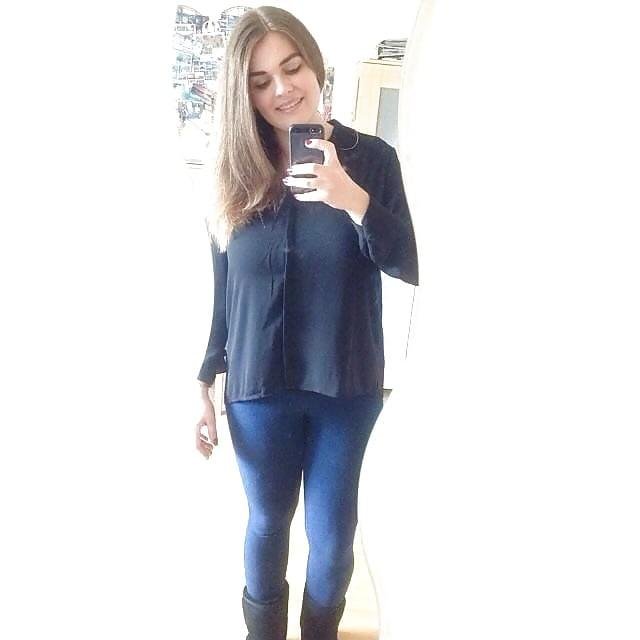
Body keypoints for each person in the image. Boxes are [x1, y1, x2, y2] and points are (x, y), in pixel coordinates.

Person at [194, 6, 419, 640]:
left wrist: (354, 200)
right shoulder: (232, 168)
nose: (282, 89)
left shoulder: (372, 160)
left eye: (292, 67)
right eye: (260, 81)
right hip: (257, 386)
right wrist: (204, 379)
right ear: (244, 95)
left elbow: (409, 263)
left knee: (333, 535)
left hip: (345, 383)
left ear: (315, 64)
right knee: (268, 522)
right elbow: (224, 289)